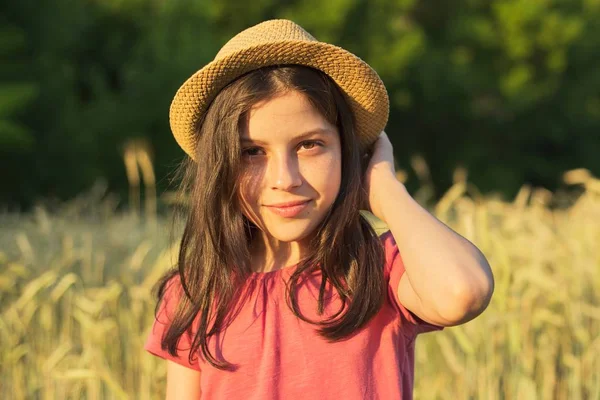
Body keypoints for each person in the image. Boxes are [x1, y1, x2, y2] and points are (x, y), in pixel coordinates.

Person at [145, 19, 494, 400]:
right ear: (220, 166)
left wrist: (386, 190)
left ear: (347, 151)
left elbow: (464, 292)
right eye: (252, 152)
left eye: (309, 145)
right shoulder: (196, 290)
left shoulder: (378, 268)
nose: (285, 178)